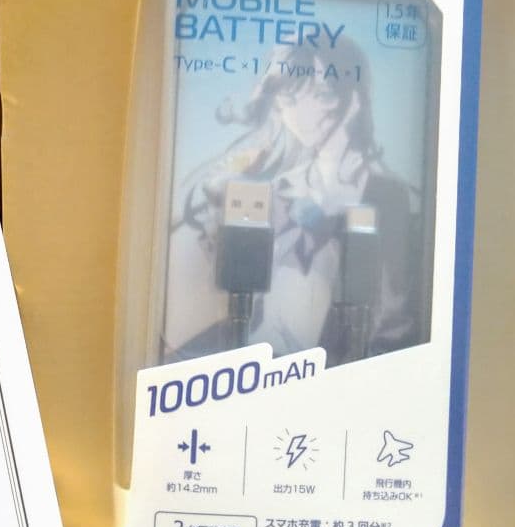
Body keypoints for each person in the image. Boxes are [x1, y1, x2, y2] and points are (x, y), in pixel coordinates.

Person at [164, 37, 428, 362]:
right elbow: (235, 283)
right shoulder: (280, 188)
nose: (300, 113)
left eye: (319, 94)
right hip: (257, 360)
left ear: (354, 100)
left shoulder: (388, 197)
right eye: (288, 99)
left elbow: (395, 318)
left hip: (337, 370)